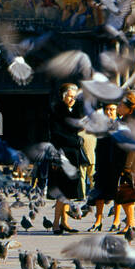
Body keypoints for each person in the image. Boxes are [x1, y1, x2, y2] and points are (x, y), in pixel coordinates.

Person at [48, 84, 89, 234]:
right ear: (63, 96)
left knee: (69, 191)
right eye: (70, 96)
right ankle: (55, 223)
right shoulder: (56, 111)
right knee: (62, 192)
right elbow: (56, 134)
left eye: (74, 96)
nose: (72, 99)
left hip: (73, 155)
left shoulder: (75, 110)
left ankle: (65, 222)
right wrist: (75, 141)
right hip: (61, 155)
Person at [112, 91, 135, 239]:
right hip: (127, 161)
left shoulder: (131, 122)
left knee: (127, 195)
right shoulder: (127, 120)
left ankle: (131, 223)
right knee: (125, 195)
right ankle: (129, 223)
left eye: (120, 104)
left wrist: (127, 166)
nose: (118, 106)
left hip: (129, 163)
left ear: (129, 108)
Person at [88, 101, 122, 231]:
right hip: (102, 164)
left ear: (117, 110)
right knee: (99, 193)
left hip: (116, 165)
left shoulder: (121, 126)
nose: (109, 112)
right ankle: (98, 221)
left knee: (116, 194)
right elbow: (98, 147)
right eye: (107, 109)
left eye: (112, 109)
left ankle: (116, 220)